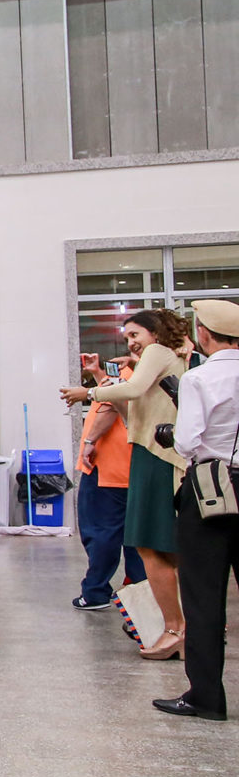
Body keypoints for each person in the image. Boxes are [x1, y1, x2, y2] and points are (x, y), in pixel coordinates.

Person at [60, 309, 193, 660]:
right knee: (155, 547)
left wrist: (88, 392)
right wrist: (105, 386)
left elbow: (133, 390)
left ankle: (175, 629)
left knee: (151, 546)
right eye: (127, 337)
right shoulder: (164, 357)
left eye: (135, 334)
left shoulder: (158, 353)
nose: (131, 342)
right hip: (150, 454)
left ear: (155, 332)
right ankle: (181, 624)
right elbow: (133, 415)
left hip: (156, 457)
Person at [155, 299, 239, 720]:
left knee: (204, 596)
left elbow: (188, 442)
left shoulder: (198, 378)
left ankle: (206, 697)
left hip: (211, 487)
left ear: (204, 334)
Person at [73, 398, 143, 609]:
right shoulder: (136, 381)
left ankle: (95, 590)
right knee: (134, 535)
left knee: (100, 532)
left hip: (106, 467)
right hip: (130, 468)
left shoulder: (116, 383)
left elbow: (112, 404)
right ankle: (139, 590)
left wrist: (90, 441)